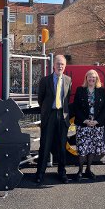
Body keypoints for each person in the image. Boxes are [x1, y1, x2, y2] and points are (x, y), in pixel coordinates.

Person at [35, 55, 72, 185]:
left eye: (62, 64)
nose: (60, 66)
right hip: (49, 116)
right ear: (53, 66)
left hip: (62, 116)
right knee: (45, 146)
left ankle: (62, 173)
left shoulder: (68, 80)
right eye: (58, 64)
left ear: (65, 66)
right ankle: (40, 174)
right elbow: (41, 99)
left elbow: (67, 99)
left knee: (62, 147)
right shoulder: (45, 80)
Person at [73, 69, 105, 182]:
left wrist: (97, 121)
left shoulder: (101, 91)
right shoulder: (80, 90)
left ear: (96, 79)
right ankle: (80, 170)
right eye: (89, 77)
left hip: (96, 126)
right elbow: (76, 107)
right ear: (86, 78)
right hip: (83, 125)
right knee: (82, 149)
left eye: (94, 77)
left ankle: (88, 169)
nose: (91, 79)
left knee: (92, 149)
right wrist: (85, 120)